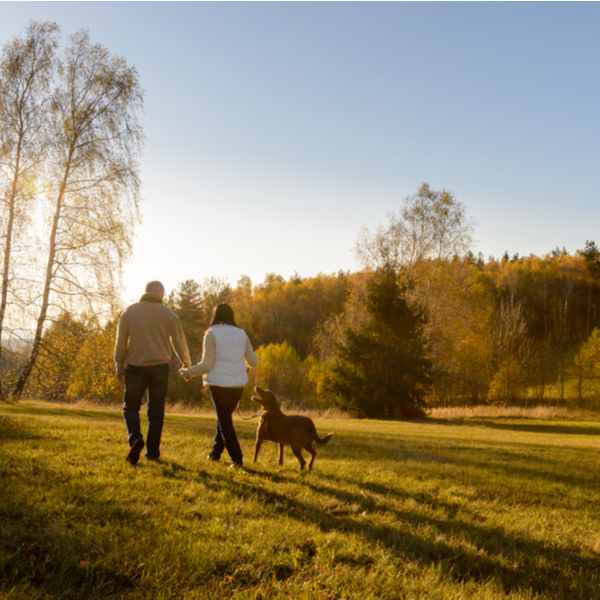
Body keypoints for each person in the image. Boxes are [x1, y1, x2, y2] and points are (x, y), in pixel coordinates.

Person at [114, 280, 191, 465]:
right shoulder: (168, 313)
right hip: (160, 368)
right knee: (156, 412)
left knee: (131, 407)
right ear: (159, 292)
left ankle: (135, 439)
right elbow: (179, 342)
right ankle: (152, 453)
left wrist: (119, 364)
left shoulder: (130, 311)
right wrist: (187, 364)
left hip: (135, 367)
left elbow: (121, 340)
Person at [179, 303, 258, 469]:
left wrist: (188, 372)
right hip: (237, 387)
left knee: (224, 422)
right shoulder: (241, 333)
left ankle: (237, 459)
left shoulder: (211, 333)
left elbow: (206, 365)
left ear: (215, 316)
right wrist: (242, 363)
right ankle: (215, 453)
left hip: (219, 385)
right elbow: (253, 361)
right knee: (224, 419)